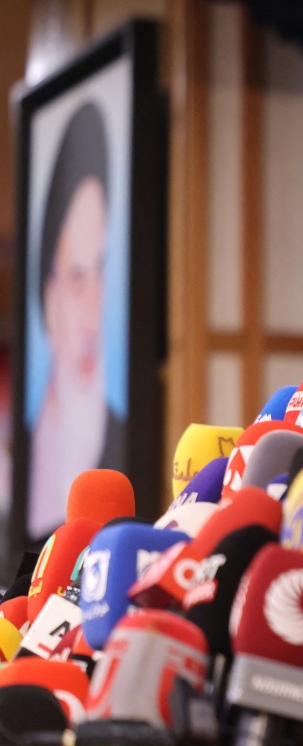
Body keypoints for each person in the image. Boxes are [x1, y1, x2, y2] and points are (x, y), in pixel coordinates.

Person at [28, 101, 125, 538]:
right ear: (47, 294)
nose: (93, 312)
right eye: (76, 278)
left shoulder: (121, 435)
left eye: (102, 270)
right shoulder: (21, 461)